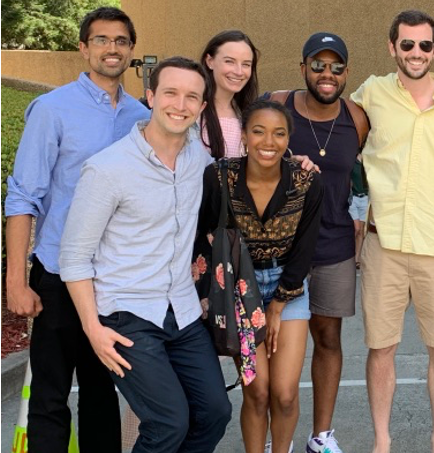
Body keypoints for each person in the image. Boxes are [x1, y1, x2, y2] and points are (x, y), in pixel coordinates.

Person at [58, 56, 231, 452]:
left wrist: (297, 164)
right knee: (167, 422)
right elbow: (74, 258)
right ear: (151, 96)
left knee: (214, 412)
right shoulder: (107, 169)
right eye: (170, 92)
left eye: (192, 97)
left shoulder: (200, 163)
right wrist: (93, 328)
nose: (180, 104)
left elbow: (249, 178)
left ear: (203, 107)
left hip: (182, 310)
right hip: (127, 314)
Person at [4, 6, 150, 452]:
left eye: (121, 41)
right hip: (55, 273)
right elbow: (22, 195)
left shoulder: (141, 117)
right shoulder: (51, 110)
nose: (112, 48)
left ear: (130, 51)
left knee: (103, 391)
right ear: (84, 48)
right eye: (102, 40)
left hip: (112, 278)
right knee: (49, 394)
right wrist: (14, 279)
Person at [349, 10, 434, 453]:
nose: (415, 53)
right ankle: (383, 440)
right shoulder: (372, 93)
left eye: (424, 46)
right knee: (381, 348)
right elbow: (333, 121)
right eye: (407, 45)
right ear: (391, 47)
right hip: (384, 244)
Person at [195, 99, 322, 453]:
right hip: (238, 290)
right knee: (257, 390)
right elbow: (204, 235)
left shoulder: (307, 182)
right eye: (259, 131)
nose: (269, 141)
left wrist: (278, 305)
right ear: (245, 137)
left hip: (289, 288)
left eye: (279, 133)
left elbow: (304, 250)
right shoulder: (219, 177)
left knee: (283, 394)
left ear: (288, 139)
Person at [266, 31, 368, 453]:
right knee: (277, 351)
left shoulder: (357, 118)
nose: (328, 74)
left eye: (337, 67)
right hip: (279, 251)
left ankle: (320, 436)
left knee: (328, 340)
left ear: (346, 73)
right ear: (303, 67)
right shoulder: (279, 103)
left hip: (333, 248)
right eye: (319, 65)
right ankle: (279, 439)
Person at [199, 29, 259, 158]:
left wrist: (289, 164)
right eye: (229, 61)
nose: (239, 71)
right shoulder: (192, 110)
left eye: (246, 64)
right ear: (210, 61)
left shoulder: (249, 113)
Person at [350, 154, 369, 268]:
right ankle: (349, 256)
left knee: (361, 231)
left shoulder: (369, 163)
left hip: (365, 198)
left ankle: (357, 259)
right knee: (356, 229)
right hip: (353, 198)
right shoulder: (353, 162)